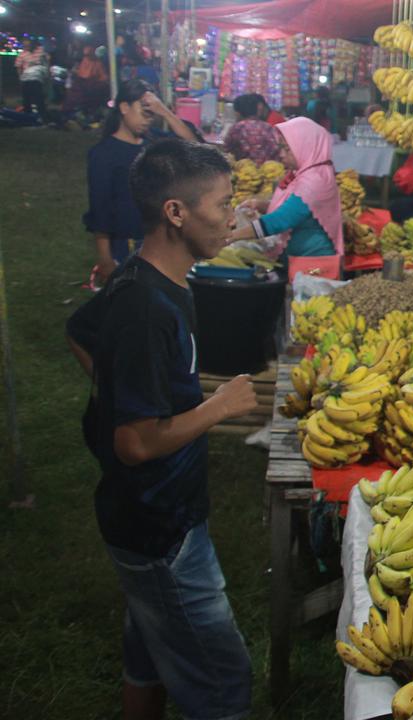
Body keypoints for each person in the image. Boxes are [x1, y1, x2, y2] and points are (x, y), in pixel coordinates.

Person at [65, 138, 257, 720]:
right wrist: (218, 407)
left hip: (142, 523)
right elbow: (136, 442)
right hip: (161, 530)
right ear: (176, 212)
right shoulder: (148, 309)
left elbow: (79, 329)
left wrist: (127, 388)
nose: (233, 216)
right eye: (222, 204)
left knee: (149, 654)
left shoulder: (143, 278)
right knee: (222, 683)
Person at [85, 79, 198, 277]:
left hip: (162, 241)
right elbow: (100, 207)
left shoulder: (153, 142)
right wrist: (105, 258)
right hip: (127, 244)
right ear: (124, 107)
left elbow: (194, 147)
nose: (148, 120)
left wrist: (164, 111)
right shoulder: (104, 154)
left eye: (151, 115)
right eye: (144, 113)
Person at [227, 117, 342, 258]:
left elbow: (283, 220)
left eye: (287, 149)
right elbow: (298, 209)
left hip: (313, 263)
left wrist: (232, 236)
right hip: (297, 258)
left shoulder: (315, 181)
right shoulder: (304, 174)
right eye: (281, 148)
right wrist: (260, 205)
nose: (281, 155)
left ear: (305, 146)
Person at [223, 94, 281, 163]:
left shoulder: (237, 128)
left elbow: (227, 150)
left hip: (244, 171)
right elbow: (276, 149)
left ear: (238, 113)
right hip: (269, 170)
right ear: (257, 110)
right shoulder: (268, 127)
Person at [65, 45, 109, 123]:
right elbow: (81, 74)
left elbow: (103, 76)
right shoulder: (84, 61)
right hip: (82, 87)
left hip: (92, 88)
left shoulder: (97, 63)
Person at [17, 40, 50, 120]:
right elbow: (18, 67)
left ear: (32, 45)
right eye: (25, 46)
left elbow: (47, 59)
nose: (26, 47)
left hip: (37, 78)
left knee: (38, 97)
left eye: (28, 45)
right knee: (26, 99)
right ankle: (27, 116)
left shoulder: (40, 50)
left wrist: (46, 72)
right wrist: (20, 78)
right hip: (26, 77)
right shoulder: (22, 55)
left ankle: (42, 116)